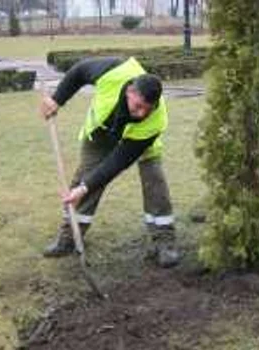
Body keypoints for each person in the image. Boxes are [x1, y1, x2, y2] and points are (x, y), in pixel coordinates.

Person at [38, 56, 180, 267]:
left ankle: (164, 241)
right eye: (138, 105)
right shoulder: (114, 71)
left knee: (154, 181)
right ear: (130, 91)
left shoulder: (155, 119)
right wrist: (57, 99)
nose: (142, 113)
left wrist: (86, 187)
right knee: (83, 180)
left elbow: (117, 163)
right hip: (101, 132)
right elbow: (79, 70)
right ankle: (69, 238)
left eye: (147, 109)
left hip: (138, 140)